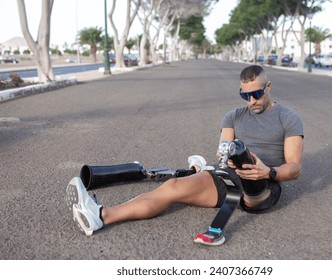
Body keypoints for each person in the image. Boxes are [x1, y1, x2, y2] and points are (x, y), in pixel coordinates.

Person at [66, 65, 304, 246]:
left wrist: (268, 171)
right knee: (172, 186)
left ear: (269, 87)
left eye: (257, 94)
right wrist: (223, 161)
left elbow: (294, 168)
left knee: (246, 158)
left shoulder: (288, 118)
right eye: (245, 96)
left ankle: (225, 169)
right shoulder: (232, 116)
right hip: (227, 178)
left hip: (262, 186)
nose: (251, 101)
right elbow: (222, 150)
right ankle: (101, 215)